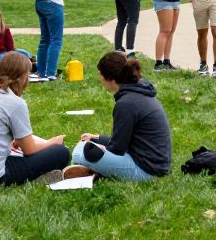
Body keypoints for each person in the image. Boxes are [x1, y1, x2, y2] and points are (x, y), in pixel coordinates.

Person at [0, 52, 70, 186]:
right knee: (61, 152)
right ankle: (41, 176)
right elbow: (29, 150)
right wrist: (52, 142)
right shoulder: (15, 103)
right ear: (21, 78)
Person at [65, 51, 172, 181]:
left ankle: (88, 170)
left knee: (79, 152)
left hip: (146, 171)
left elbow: (117, 148)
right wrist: (96, 138)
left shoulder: (126, 104)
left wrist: (100, 147)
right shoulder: (139, 91)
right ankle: (92, 171)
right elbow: (126, 139)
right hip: (156, 165)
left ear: (111, 79)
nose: (99, 76)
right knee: (90, 144)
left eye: (101, 73)